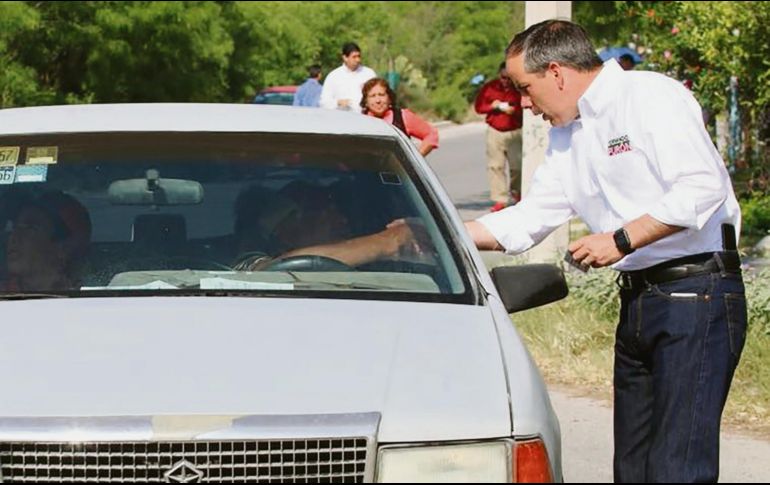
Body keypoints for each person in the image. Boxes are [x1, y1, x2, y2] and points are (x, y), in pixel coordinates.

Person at [465, 20, 745, 483]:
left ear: (556, 72)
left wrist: (620, 239)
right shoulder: (568, 134)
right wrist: (437, 229)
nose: (525, 105)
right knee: (632, 470)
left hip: (697, 294)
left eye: (525, 89)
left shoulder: (648, 97)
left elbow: (702, 187)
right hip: (639, 301)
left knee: (678, 470)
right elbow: (528, 218)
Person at [233, 181, 426, 271]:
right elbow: (269, 271)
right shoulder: (251, 262)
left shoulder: (383, 267)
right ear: (286, 230)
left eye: (337, 211)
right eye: (323, 214)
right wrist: (391, 240)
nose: (341, 220)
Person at [1, 190, 92, 291]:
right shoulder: (4, 295)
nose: (14, 237)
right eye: (14, 227)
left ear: (63, 247)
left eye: (30, 228)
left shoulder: (97, 297)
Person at [474, 62, 524, 212]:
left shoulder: (519, 88)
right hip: (495, 131)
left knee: (517, 166)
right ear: (499, 75)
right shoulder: (490, 88)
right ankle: (499, 199)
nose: (505, 81)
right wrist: (493, 106)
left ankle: (516, 192)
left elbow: (526, 109)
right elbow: (479, 107)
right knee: (495, 166)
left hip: (514, 131)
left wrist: (514, 111)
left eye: (509, 78)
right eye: (503, 78)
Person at [361, 78, 439, 157]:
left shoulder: (403, 117)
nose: (378, 100)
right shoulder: (360, 122)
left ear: (389, 98)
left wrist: (416, 158)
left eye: (381, 95)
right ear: (366, 102)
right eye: (372, 96)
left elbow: (431, 134)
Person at [319, 42, 376, 112]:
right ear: (345, 58)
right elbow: (324, 102)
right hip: (341, 118)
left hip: (365, 117)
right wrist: (338, 102)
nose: (358, 60)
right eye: (354, 57)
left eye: (359, 56)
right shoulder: (334, 76)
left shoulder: (369, 74)